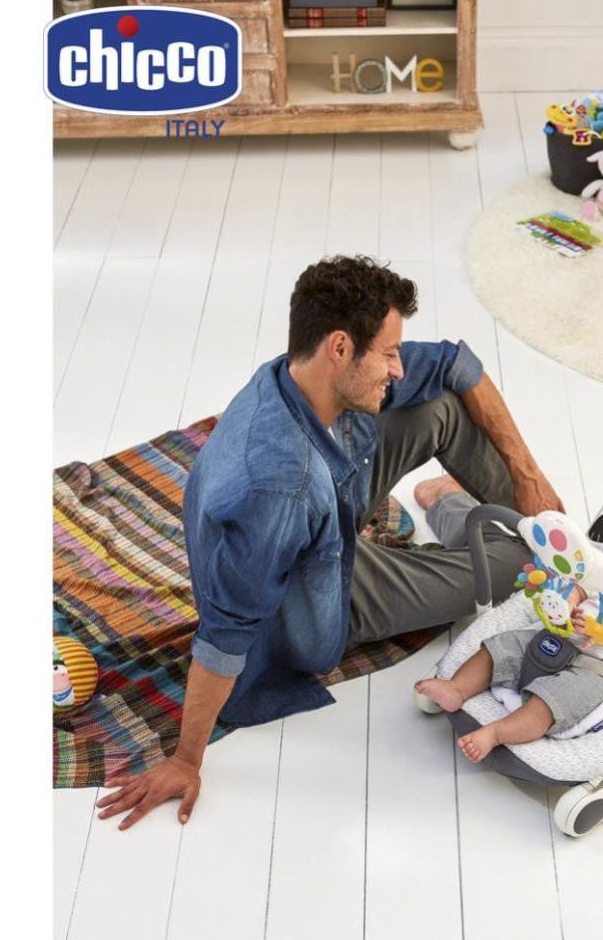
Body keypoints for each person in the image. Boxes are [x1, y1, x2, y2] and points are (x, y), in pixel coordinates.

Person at [96, 255, 562, 829]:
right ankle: (460, 511)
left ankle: (521, 519)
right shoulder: (279, 488)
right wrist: (186, 759)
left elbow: (452, 364)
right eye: (388, 353)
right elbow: (226, 633)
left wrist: (527, 476)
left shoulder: (295, 376)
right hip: (313, 603)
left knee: (439, 404)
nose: (397, 367)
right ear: (340, 347)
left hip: (325, 518)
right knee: (524, 561)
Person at [414, 482, 603, 762]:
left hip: (597, 671)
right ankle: (458, 688)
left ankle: (496, 733)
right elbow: (577, 589)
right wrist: (566, 605)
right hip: (550, 640)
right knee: (498, 648)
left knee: (550, 705)